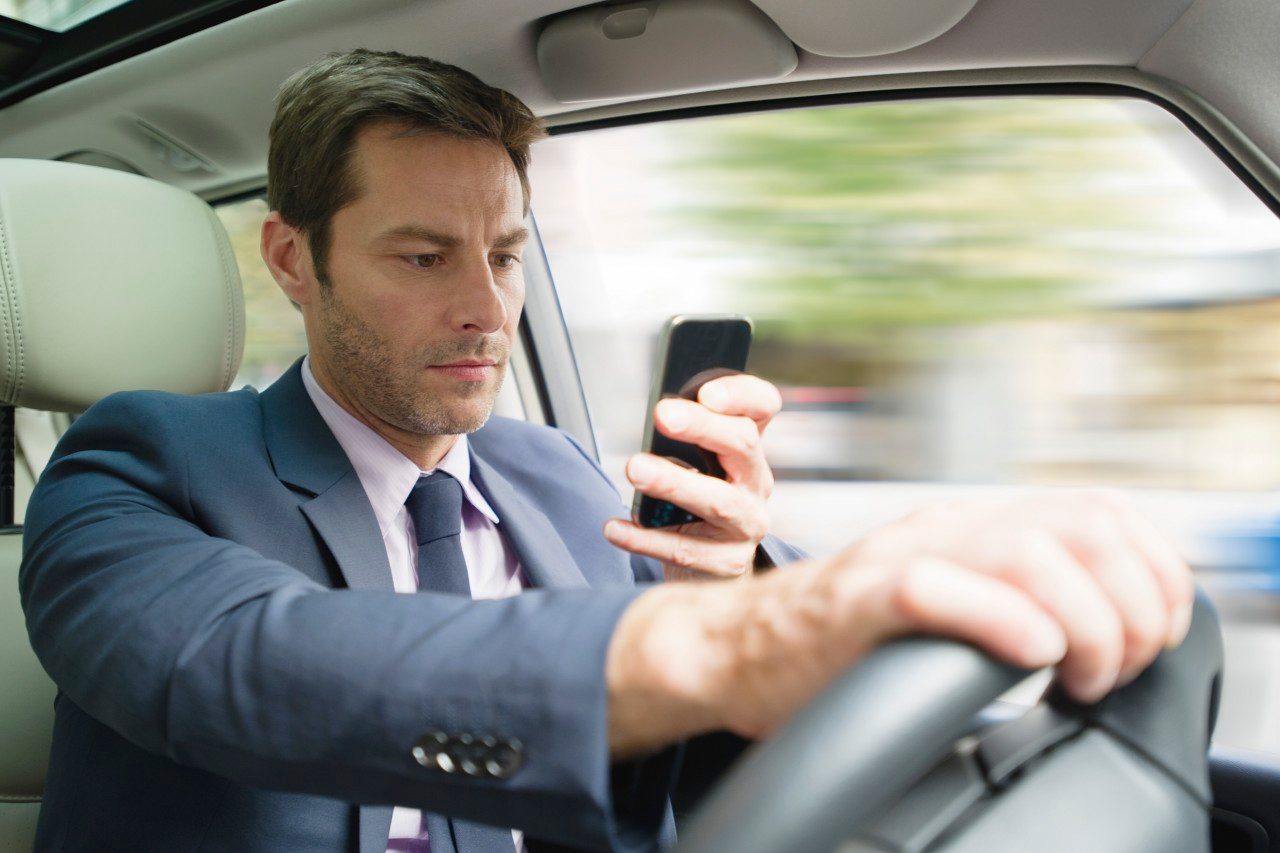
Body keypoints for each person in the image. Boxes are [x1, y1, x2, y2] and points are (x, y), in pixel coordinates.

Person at [19, 49, 1194, 853]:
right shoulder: (134, 465)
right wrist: (736, 640)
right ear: (292, 261)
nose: (488, 308)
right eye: (423, 257)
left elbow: (704, 748)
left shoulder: (562, 474)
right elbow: (245, 663)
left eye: (506, 253)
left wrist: (728, 589)